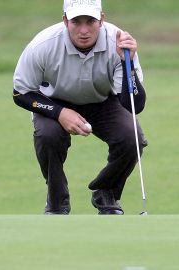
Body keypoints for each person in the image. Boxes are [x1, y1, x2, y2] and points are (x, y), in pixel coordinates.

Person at [12, 0, 147, 215]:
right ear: (65, 20)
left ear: (101, 19)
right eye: (76, 21)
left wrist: (126, 63)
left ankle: (106, 191)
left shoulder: (119, 42)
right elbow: (20, 93)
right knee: (48, 136)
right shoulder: (44, 45)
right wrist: (59, 113)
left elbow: (134, 105)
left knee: (132, 138)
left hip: (103, 100)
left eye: (91, 21)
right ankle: (57, 202)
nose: (84, 30)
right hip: (54, 102)